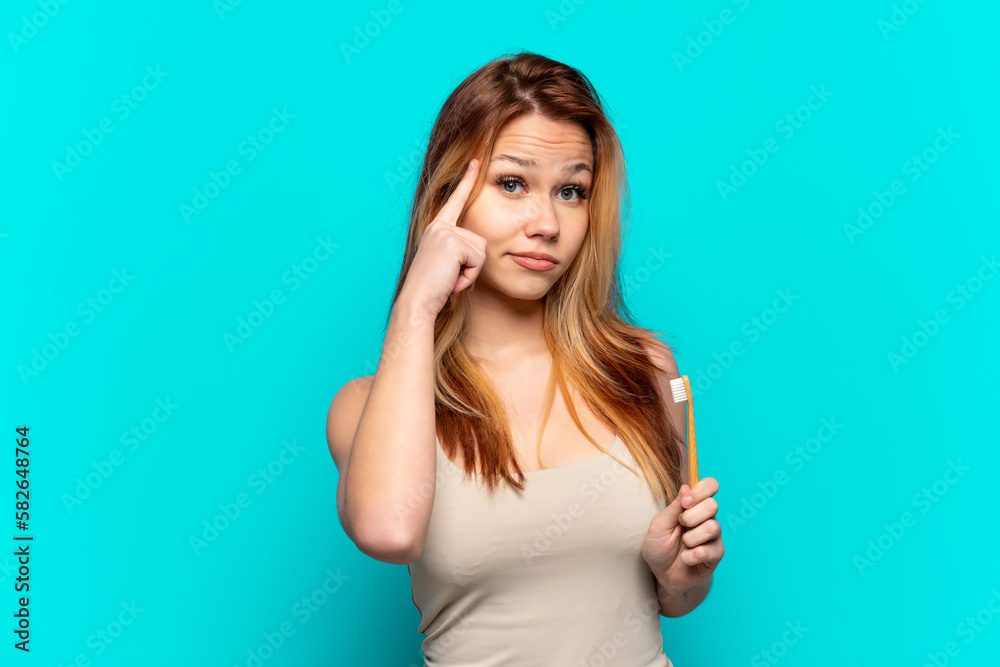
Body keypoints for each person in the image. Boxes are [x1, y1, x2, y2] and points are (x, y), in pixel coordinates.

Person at [327, 51, 724, 666]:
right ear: (449, 198)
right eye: (512, 184)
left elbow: (677, 599)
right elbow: (389, 531)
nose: (547, 223)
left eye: (571, 191)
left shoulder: (647, 370)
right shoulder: (366, 406)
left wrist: (680, 576)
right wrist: (415, 307)